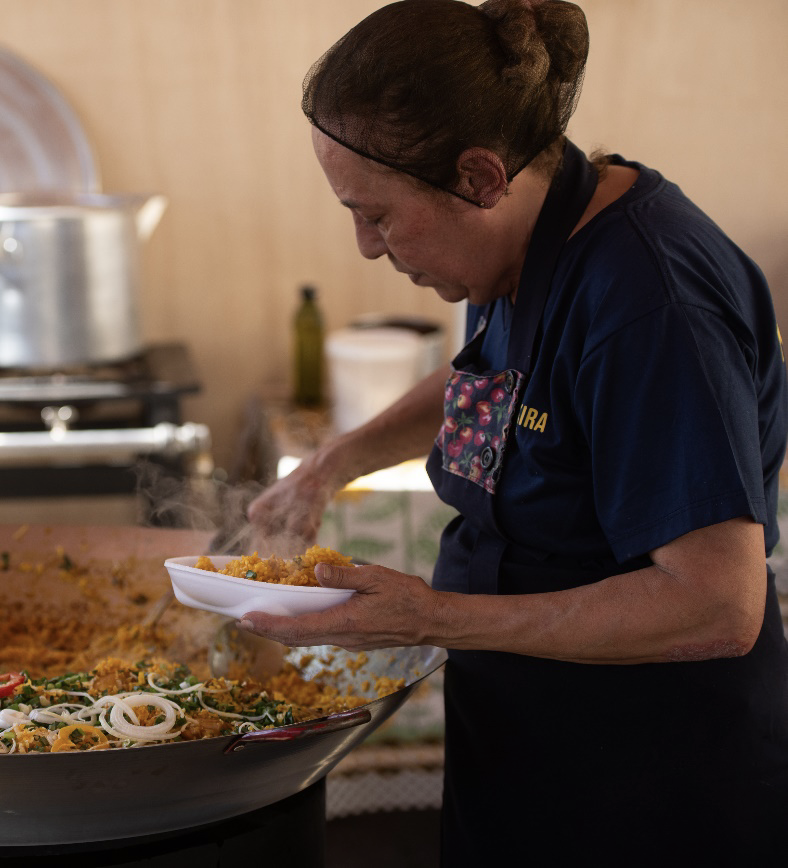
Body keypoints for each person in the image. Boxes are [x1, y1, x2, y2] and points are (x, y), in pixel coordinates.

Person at [243, 1, 788, 864]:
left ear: (480, 178)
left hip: (648, 779)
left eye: (378, 215)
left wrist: (433, 617)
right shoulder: (529, 238)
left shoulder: (652, 305)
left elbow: (718, 605)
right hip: (527, 731)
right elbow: (498, 376)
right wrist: (329, 464)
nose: (366, 248)